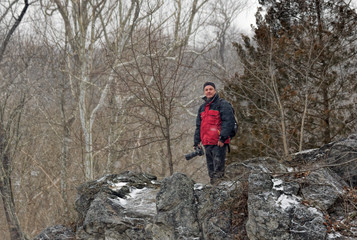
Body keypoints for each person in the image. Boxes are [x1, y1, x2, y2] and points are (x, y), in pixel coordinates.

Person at [193, 82, 236, 184]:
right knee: (211, 171)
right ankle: (213, 190)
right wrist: (196, 142)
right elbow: (199, 126)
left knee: (218, 171)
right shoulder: (202, 108)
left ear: (215, 90)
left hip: (218, 143)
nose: (208, 91)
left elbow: (228, 122)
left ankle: (219, 190)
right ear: (204, 92)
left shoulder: (222, 104)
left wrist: (222, 138)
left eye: (210, 89)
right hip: (207, 143)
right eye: (206, 90)